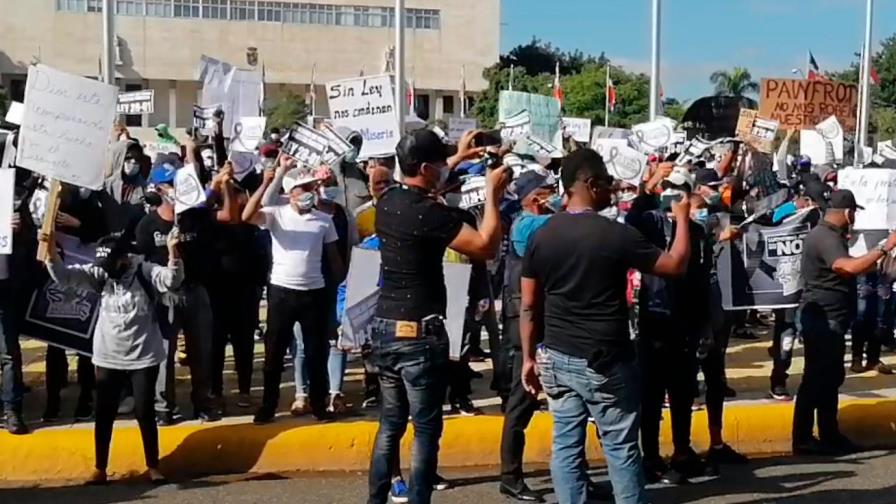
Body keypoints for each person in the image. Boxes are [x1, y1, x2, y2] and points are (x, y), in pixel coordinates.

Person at [520, 149, 691, 504]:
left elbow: (529, 305)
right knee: (620, 448)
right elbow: (674, 265)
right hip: (605, 361)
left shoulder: (541, 235)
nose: (612, 191)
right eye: (607, 184)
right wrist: (683, 219)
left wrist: (527, 358)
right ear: (590, 183)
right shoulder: (614, 235)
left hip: (555, 357)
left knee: (566, 447)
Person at [367, 129, 508, 504]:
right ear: (427, 168)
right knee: (426, 428)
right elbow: (484, 246)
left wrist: (460, 157)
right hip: (419, 333)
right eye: (441, 163)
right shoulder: (431, 213)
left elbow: (427, 188)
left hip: (384, 326)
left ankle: (376, 498)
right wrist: (493, 195)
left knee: (390, 425)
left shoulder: (387, 200)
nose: (446, 166)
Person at [41, 230, 184, 485]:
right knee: (104, 412)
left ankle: (153, 465)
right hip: (108, 354)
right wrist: (50, 251)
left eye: (112, 265)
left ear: (124, 259)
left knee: (144, 410)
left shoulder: (144, 271)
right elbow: (65, 277)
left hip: (144, 354)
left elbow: (171, 280)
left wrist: (173, 252)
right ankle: (100, 467)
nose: (107, 271)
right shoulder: (101, 272)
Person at [627, 167, 718, 484]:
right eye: (667, 188)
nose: (672, 193)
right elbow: (633, 219)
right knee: (650, 395)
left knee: (682, 392)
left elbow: (702, 277)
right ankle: (649, 457)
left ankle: (682, 451)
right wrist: (649, 186)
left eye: (678, 189)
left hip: (685, 321)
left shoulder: (694, 230)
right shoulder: (649, 222)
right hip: (653, 319)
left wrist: (705, 324)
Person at [242, 156, 346, 424]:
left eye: (312, 188)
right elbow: (247, 214)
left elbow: (334, 259)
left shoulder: (324, 220)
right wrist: (271, 179)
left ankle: (319, 404)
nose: (310, 193)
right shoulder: (276, 214)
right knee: (274, 354)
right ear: (290, 193)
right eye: (304, 188)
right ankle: (268, 406)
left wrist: (340, 288)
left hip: (315, 293)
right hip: (282, 292)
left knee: (316, 352)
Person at [793, 189, 896, 455]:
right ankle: (803, 438)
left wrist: (875, 262)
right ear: (848, 213)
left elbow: (849, 266)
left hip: (832, 318)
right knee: (816, 379)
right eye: (854, 214)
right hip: (823, 319)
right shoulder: (825, 236)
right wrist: (885, 246)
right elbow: (845, 267)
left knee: (830, 378)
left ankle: (829, 434)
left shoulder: (830, 234)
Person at [136, 163, 228, 424]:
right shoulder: (147, 225)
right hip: (163, 297)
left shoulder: (197, 218)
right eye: (171, 185)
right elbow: (142, 264)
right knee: (164, 353)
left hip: (195, 291)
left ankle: (203, 402)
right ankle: (164, 407)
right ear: (159, 189)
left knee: (201, 351)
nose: (176, 190)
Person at [497, 170, 557, 503]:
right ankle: (510, 476)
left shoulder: (540, 222)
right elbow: (566, 224)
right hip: (526, 327)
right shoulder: (527, 225)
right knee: (522, 403)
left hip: (542, 322)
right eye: (549, 191)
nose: (555, 196)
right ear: (535, 197)